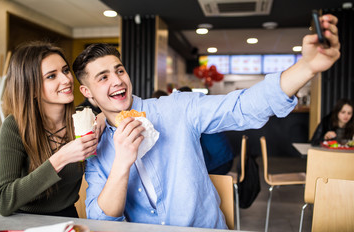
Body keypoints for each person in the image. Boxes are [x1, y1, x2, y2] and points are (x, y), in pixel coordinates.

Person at [72, 14, 340, 229]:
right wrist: (121, 162)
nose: (118, 80)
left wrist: (307, 67)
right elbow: (101, 219)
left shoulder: (177, 107)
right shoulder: (95, 147)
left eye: (119, 70)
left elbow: (243, 106)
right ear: (87, 93)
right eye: (103, 77)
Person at [0, 41, 98, 217]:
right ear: (31, 87)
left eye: (65, 70)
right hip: (24, 222)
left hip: (68, 219)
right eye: (51, 76)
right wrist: (60, 158)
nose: (66, 79)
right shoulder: (15, 126)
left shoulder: (84, 118)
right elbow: (3, 200)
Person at [177, 86, 234, 175]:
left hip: (220, 162)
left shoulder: (194, 115)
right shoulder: (198, 110)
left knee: (188, 174)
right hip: (225, 158)